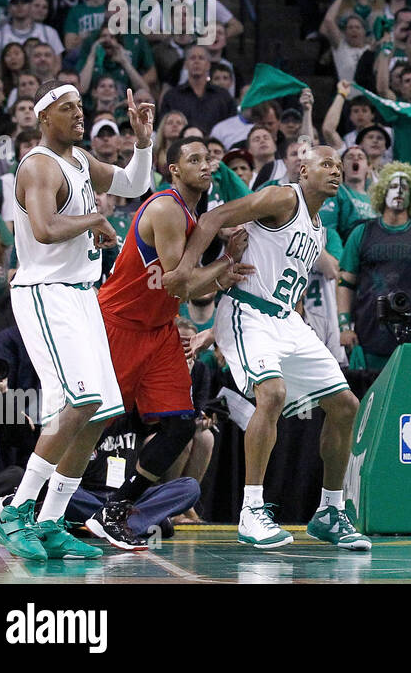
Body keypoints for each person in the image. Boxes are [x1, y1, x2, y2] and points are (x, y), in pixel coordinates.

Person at [162, 145, 365, 550]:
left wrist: (300, 318)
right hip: (247, 312)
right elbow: (214, 217)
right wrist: (186, 270)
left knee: (346, 406)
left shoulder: (318, 227)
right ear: (303, 170)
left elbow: (287, 278)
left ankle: (329, 510)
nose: (336, 172)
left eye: (339, 166)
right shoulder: (282, 197)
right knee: (271, 393)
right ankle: (251, 511)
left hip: (286, 319)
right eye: (326, 164)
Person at [0, 82, 157, 560]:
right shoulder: (39, 165)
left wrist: (142, 142)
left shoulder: (80, 160)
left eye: (81, 107)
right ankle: (16, 512)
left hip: (82, 295)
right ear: (45, 118)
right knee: (80, 403)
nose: (79, 115)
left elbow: (132, 184)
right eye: (68, 109)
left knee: (100, 411)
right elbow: (44, 230)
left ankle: (50, 520)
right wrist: (93, 220)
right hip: (46, 293)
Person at [83, 135, 253, 549]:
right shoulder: (165, 207)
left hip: (158, 330)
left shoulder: (195, 218)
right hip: (119, 324)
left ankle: (116, 510)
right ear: (173, 169)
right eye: (194, 159)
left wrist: (221, 264)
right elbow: (182, 284)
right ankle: (32, 500)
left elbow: (182, 288)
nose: (206, 165)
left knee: (181, 425)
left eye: (209, 159)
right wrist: (225, 262)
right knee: (89, 423)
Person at [337, 162, 411, 372]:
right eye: (394, 186)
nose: (399, 192)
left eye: (405, 188)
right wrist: (344, 326)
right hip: (368, 332)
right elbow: (345, 282)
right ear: (382, 191)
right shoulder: (362, 232)